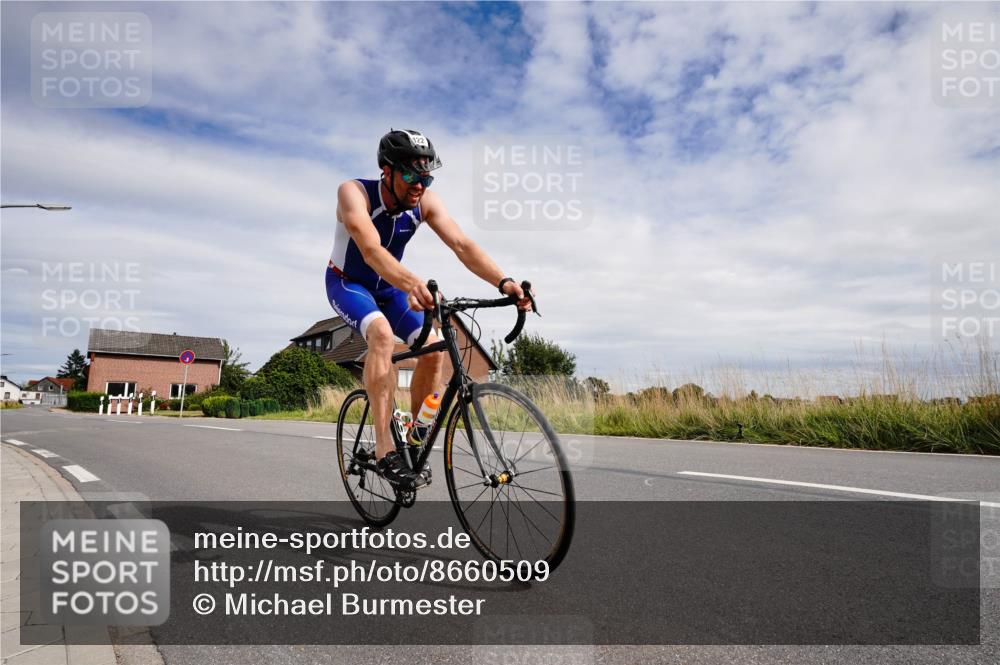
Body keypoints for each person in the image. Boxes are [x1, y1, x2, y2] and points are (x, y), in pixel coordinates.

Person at [328, 129, 532, 489]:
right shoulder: (353, 193)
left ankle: (414, 439)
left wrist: (504, 282)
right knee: (381, 335)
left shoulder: (425, 202)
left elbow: (462, 244)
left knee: (435, 349)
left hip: (390, 288)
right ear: (387, 171)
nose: (420, 185)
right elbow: (371, 250)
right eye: (411, 175)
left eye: (427, 177)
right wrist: (413, 284)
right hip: (349, 284)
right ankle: (385, 449)